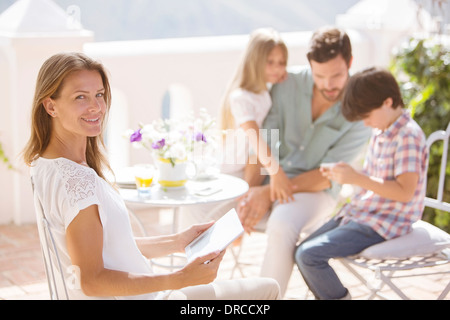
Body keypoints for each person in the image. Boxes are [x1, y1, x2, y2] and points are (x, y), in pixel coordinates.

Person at [23, 52, 280, 300]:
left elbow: (109, 246)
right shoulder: (77, 181)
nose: (96, 107)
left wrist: (177, 241)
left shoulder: (45, 166)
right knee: (268, 290)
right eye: (80, 97)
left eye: (99, 94)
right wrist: (179, 278)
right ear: (50, 106)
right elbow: (91, 280)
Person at [238, 26, 371, 297]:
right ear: (310, 66)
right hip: (273, 177)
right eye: (319, 76)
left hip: (316, 190)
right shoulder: (287, 84)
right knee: (210, 206)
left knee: (283, 224)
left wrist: (266, 192)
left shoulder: (359, 111)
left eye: (336, 75)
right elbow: (263, 140)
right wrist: (248, 193)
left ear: (350, 63)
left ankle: (263, 301)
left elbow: (329, 175)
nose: (328, 84)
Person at [294, 67, 429, 300]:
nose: (365, 124)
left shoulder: (408, 136)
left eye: (366, 116)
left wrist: (357, 178)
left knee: (309, 255)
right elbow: (375, 179)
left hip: (385, 222)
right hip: (362, 213)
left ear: (388, 102)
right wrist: (346, 174)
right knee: (300, 252)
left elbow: (405, 192)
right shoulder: (382, 130)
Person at [180, 27, 292, 230]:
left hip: (246, 168)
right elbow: (254, 136)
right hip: (230, 170)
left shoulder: (263, 92)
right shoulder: (241, 97)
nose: (277, 68)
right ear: (255, 61)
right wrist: (276, 172)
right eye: (270, 62)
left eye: (282, 63)